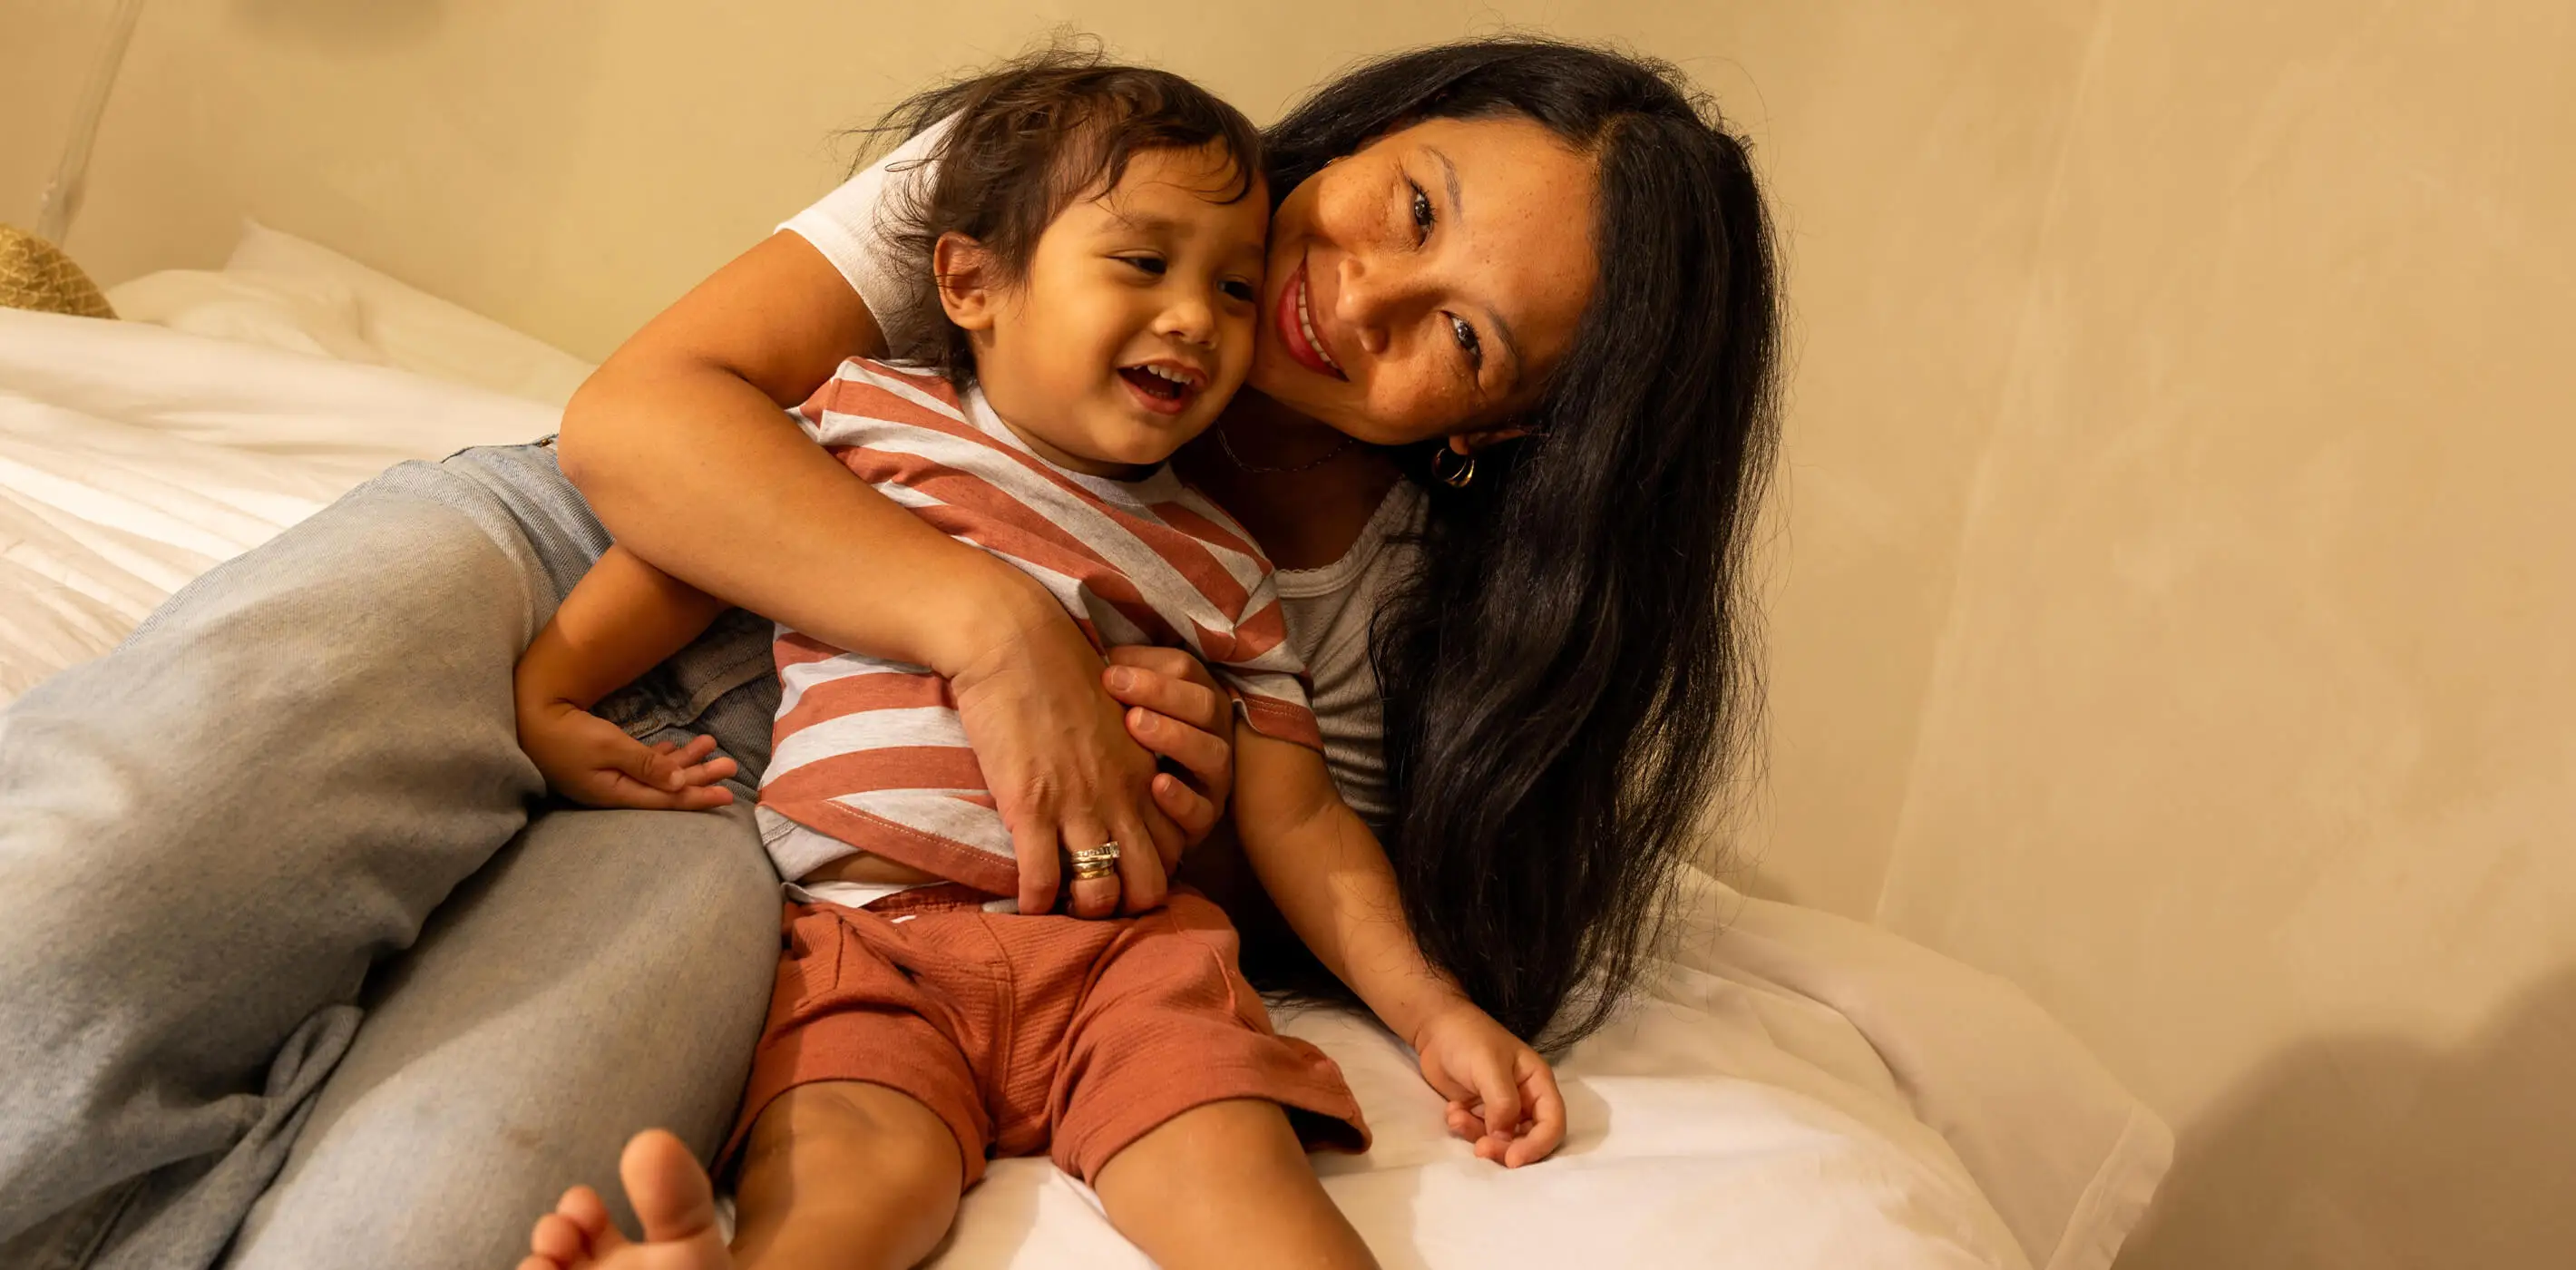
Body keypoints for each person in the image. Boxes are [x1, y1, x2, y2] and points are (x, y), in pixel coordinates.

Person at [0, 36, 1775, 1270]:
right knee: (80, 914)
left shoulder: (1386, 616)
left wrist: (1178, 809)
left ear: (1503, 430)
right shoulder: (1081, 163)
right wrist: (991, 622)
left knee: (427, 1218)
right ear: (1385, 126)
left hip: (779, 845)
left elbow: (1274, 869)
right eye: (1414, 206)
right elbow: (643, 421)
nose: (1361, 295)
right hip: (596, 567)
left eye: (1461, 336)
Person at [507, 54, 1556, 1270]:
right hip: (867, 937)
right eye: (1143, 263)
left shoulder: (1224, 566)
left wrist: (1433, 1014)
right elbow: (697, 553)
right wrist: (552, 690)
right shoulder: (867, 421)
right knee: (848, 1180)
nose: (1195, 317)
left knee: (1241, 1186)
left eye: (1231, 286)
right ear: (971, 282)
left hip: (1127, 959)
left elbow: (1304, 819)